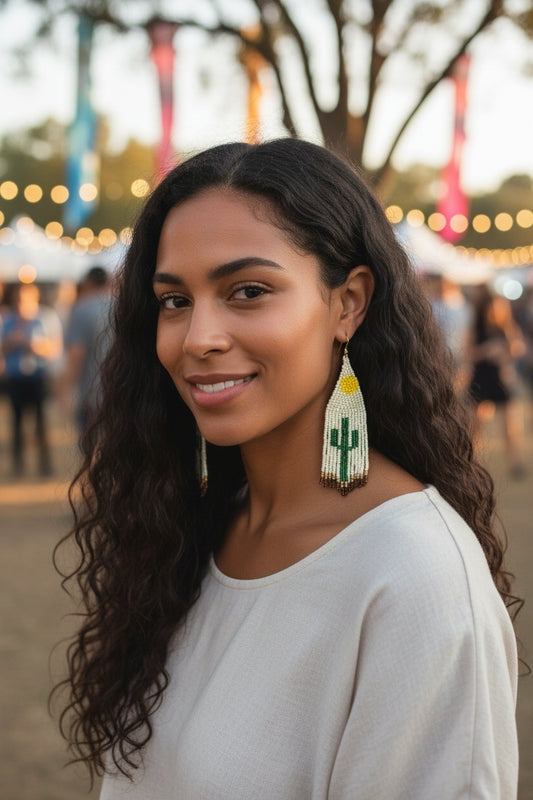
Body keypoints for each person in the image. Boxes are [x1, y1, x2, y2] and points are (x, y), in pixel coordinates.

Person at [54, 139, 520, 799]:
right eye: (174, 300)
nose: (198, 338)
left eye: (248, 291)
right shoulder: (194, 529)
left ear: (347, 304)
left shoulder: (413, 578)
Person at [1, 282, 61, 476]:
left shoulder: (45, 318)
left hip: (38, 377)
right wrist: (11, 342)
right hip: (15, 379)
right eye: (18, 299)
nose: (21, 303)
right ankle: (18, 464)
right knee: (16, 423)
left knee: (41, 423)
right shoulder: (8, 320)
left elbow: (54, 349)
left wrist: (31, 344)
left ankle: (45, 464)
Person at [467, 282, 526, 478]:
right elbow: (468, 352)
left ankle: (514, 462)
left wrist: (505, 351)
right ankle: (472, 462)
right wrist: (487, 351)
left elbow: (518, 348)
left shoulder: (505, 328)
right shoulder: (476, 326)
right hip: (481, 378)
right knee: (476, 425)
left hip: (501, 379)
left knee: (510, 426)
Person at [61, 265, 113, 434]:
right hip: (121, 391)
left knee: (92, 445)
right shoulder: (121, 305)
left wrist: (67, 390)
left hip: (92, 394)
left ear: (88, 282)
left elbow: (76, 354)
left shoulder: (82, 309)